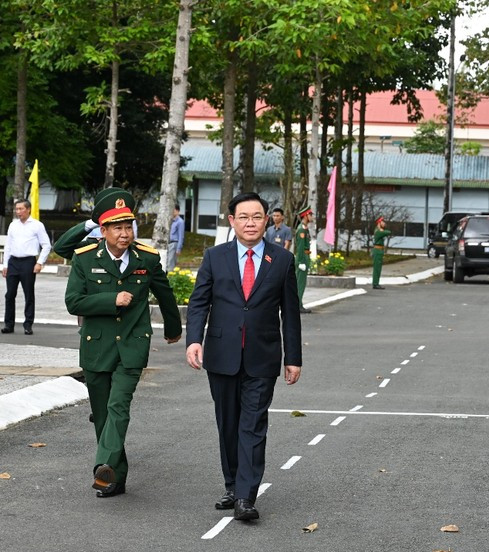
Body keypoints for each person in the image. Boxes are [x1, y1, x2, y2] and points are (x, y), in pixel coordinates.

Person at [186, 192, 302, 522]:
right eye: (244, 217)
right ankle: (232, 485)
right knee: (228, 423)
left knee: (253, 424)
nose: (250, 223)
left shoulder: (281, 260)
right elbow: (199, 303)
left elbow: (290, 314)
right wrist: (194, 340)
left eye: (257, 216)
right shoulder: (215, 257)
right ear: (232, 221)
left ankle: (246, 497)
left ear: (268, 220)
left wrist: (293, 357)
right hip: (221, 354)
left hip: (262, 356)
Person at [64, 188, 182, 498]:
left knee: (119, 406)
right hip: (96, 347)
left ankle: (103, 465)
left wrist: (173, 327)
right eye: (117, 227)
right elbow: (73, 302)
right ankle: (116, 477)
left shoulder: (147, 258)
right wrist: (110, 299)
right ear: (102, 231)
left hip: (132, 344)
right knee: (102, 415)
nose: (125, 233)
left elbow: (165, 294)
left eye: (128, 226)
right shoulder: (85, 259)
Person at [2, 199, 52, 335]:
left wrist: (39, 262)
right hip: (13, 262)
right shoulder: (13, 225)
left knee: (28, 294)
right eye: (16, 209)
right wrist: (5, 264)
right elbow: (8, 246)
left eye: (21, 209)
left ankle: (28, 324)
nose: (18, 212)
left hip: (28, 262)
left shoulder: (37, 225)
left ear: (28, 209)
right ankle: (9, 324)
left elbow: (46, 245)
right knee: (10, 294)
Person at [293, 206, 313, 314]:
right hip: (302, 257)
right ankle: (298, 305)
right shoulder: (301, 229)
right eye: (310, 215)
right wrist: (300, 261)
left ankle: (299, 304)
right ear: (305, 216)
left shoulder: (304, 228)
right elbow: (300, 247)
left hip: (305, 256)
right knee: (300, 283)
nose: (312, 217)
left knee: (301, 282)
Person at [371, 217, 391, 289]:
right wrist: (381, 230)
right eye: (383, 222)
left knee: (378, 268)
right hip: (377, 251)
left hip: (379, 250)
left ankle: (376, 283)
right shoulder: (378, 231)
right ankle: (375, 283)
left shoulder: (379, 230)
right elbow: (388, 232)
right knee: (377, 268)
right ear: (379, 223)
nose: (384, 223)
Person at [168, 203, 185, 271]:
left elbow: (181, 236)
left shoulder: (180, 222)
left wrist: (179, 248)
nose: (172, 212)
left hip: (174, 244)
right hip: (168, 243)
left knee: (170, 263)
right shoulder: (170, 221)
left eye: (173, 210)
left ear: (178, 211)